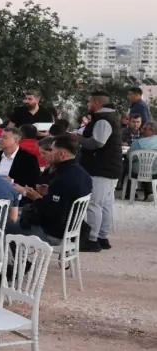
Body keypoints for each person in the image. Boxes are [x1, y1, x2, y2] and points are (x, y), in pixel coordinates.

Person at [12, 135, 92, 246]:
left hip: (54, 233)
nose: (50, 153)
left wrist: (36, 197)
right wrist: (48, 193)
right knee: (16, 214)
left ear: (62, 154)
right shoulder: (83, 173)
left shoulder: (63, 178)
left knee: (6, 223)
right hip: (71, 229)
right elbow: (65, 200)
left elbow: (52, 214)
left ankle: (23, 263)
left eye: (52, 150)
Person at [78, 92, 122, 252]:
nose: (88, 105)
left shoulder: (103, 119)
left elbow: (98, 142)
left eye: (89, 102)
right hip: (111, 167)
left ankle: (92, 239)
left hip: (100, 168)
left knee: (94, 204)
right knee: (105, 204)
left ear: (96, 103)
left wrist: (79, 140)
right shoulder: (112, 118)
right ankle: (102, 237)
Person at [125, 121, 157, 202]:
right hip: (155, 171)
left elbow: (129, 156)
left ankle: (128, 192)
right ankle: (149, 193)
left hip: (138, 171)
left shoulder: (137, 143)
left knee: (128, 165)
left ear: (153, 131)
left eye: (145, 129)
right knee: (148, 168)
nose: (142, 130)